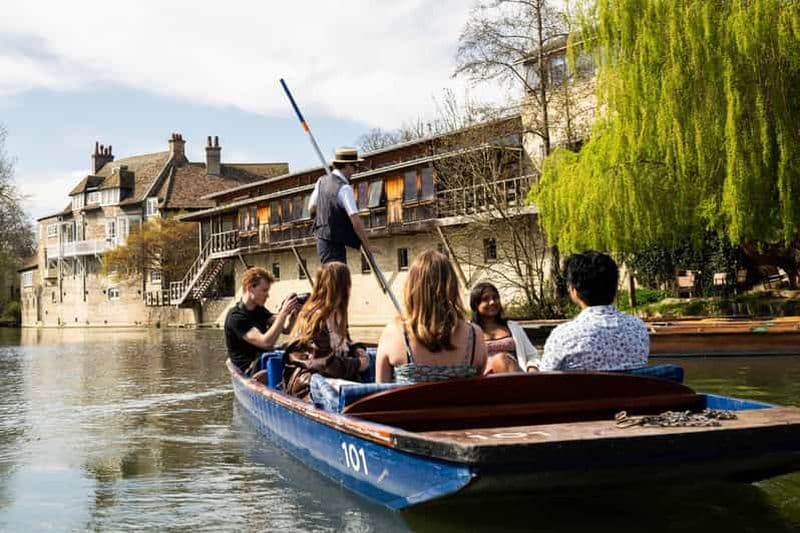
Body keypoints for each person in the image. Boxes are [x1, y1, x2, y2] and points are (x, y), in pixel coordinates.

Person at [376, 250, 488, 383]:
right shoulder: (475, 334)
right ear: (451, 286)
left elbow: (379, 393)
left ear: (411, 288)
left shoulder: (394, 333)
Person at [539, 251, 649, 371]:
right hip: (633, 390)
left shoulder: (562, 335)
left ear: (573, 290)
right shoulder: (638, 328)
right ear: (614, 287)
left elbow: (544, 381)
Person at [282, 262, 370, 398]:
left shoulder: (338, 313)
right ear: (340, 287)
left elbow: (343, 344)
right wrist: (359, 364)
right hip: (309, 384)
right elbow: (325, 363)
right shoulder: (316, 319)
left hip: (333, 377)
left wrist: (357, 349)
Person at [224, 267, 300, 375]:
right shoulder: (236, 317)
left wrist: (293, 315)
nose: (267, 295)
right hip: (250, 369)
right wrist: (283, 313)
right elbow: (265, 342)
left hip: (264, 359)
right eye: (264, 290)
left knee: (297, 347)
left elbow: (285, 329)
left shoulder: (259, 310)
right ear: (250, 288)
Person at [309, 147, 378, 264]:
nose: (355, 171)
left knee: (329, 278)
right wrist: (367, 246)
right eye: (355, 167)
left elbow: (311, 208)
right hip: (335, 243)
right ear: (346, 166)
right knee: (338, 279)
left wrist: (322, 224)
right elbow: (355, 220)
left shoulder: (321, 181)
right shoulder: (344, 188)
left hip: (322, 242)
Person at [470, 282, 540, 373]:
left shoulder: (514, 327)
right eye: (485, 299)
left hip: (515, 377)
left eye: (495, 298)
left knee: (501, 359)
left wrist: (532, 369)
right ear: (475, 304)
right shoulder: (469, 332)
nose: (492, 302)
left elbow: (533, 356)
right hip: (483, 382)